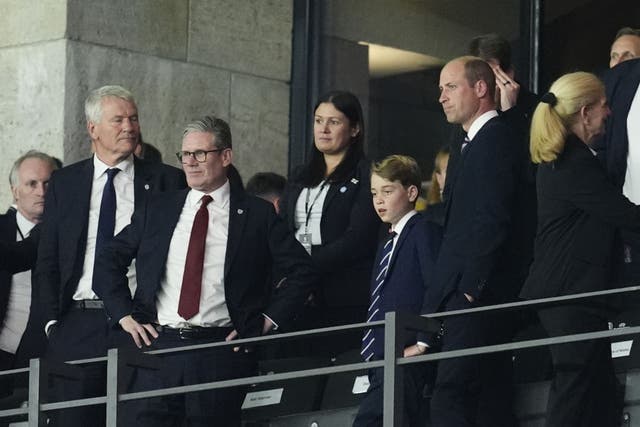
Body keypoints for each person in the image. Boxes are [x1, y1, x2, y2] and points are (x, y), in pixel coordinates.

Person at [93, 115, 316, 426]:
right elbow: (107, 261)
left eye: (201, 153)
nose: (191, 162)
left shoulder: (257, 214)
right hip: (157, 347)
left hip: (219, 350)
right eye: (185, 154)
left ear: (226, 156)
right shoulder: (158, 209)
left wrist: (265, 322)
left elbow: (302, 272)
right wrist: (124, 315)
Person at [34, 85, 186, 426]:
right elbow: (47, 262)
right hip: (77, 324)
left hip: (141, 326)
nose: (128, 127)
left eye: (133, 119)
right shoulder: (65, 182)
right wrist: (52, 324)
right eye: (117, 120)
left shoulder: (167, 180)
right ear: (93, 128)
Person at [521, 71, 640, 427]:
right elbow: (622, 214)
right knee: (574, 392)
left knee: (599, 393)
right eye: (605, 106)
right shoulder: (574, 163)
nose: (610, 113)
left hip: (573, 295)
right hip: (571, 295)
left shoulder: (566, 160)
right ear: (585, 112)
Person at [430, 56, 523, 427]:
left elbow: (493, 218)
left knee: (450, 394)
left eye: (450, 87)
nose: (441, 97)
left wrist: (469, 289)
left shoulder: (497, 137)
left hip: (476, 296)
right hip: (463, 294)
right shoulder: (470, 142)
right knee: (485, 396)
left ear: (481, 89)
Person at [280, 90, 381, 356]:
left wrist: (304, 268)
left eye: (333, 122)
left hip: (343, 296)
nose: (323, 129)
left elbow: (358, 238)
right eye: (318, 120)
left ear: (355, 128)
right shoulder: (299, 175)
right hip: (298, 297)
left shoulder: (368, 174)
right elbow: (282, 231)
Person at [353, 155, 441, 427]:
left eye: (387, 191)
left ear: (412, 192)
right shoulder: (385, 243)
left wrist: (425, 341)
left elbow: (435, 287)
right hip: (381, 356)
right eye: (374, 193)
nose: (379, 200)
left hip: (405, 354)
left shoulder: (423, 230)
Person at [0, 151, 57, 395]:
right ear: (15, 191)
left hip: (45, 357)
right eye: (31, 184)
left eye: (48, 183)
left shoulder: (70, 235)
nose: (41, 192)